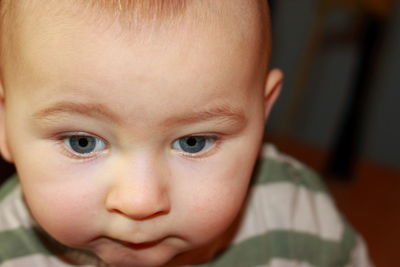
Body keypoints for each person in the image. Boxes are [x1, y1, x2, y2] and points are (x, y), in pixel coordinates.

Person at [0, 0, 373, 266]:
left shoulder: (298, 216)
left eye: (193, 142)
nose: (141, 202)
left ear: (262, 114)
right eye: (82, 142)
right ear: (4, 123)